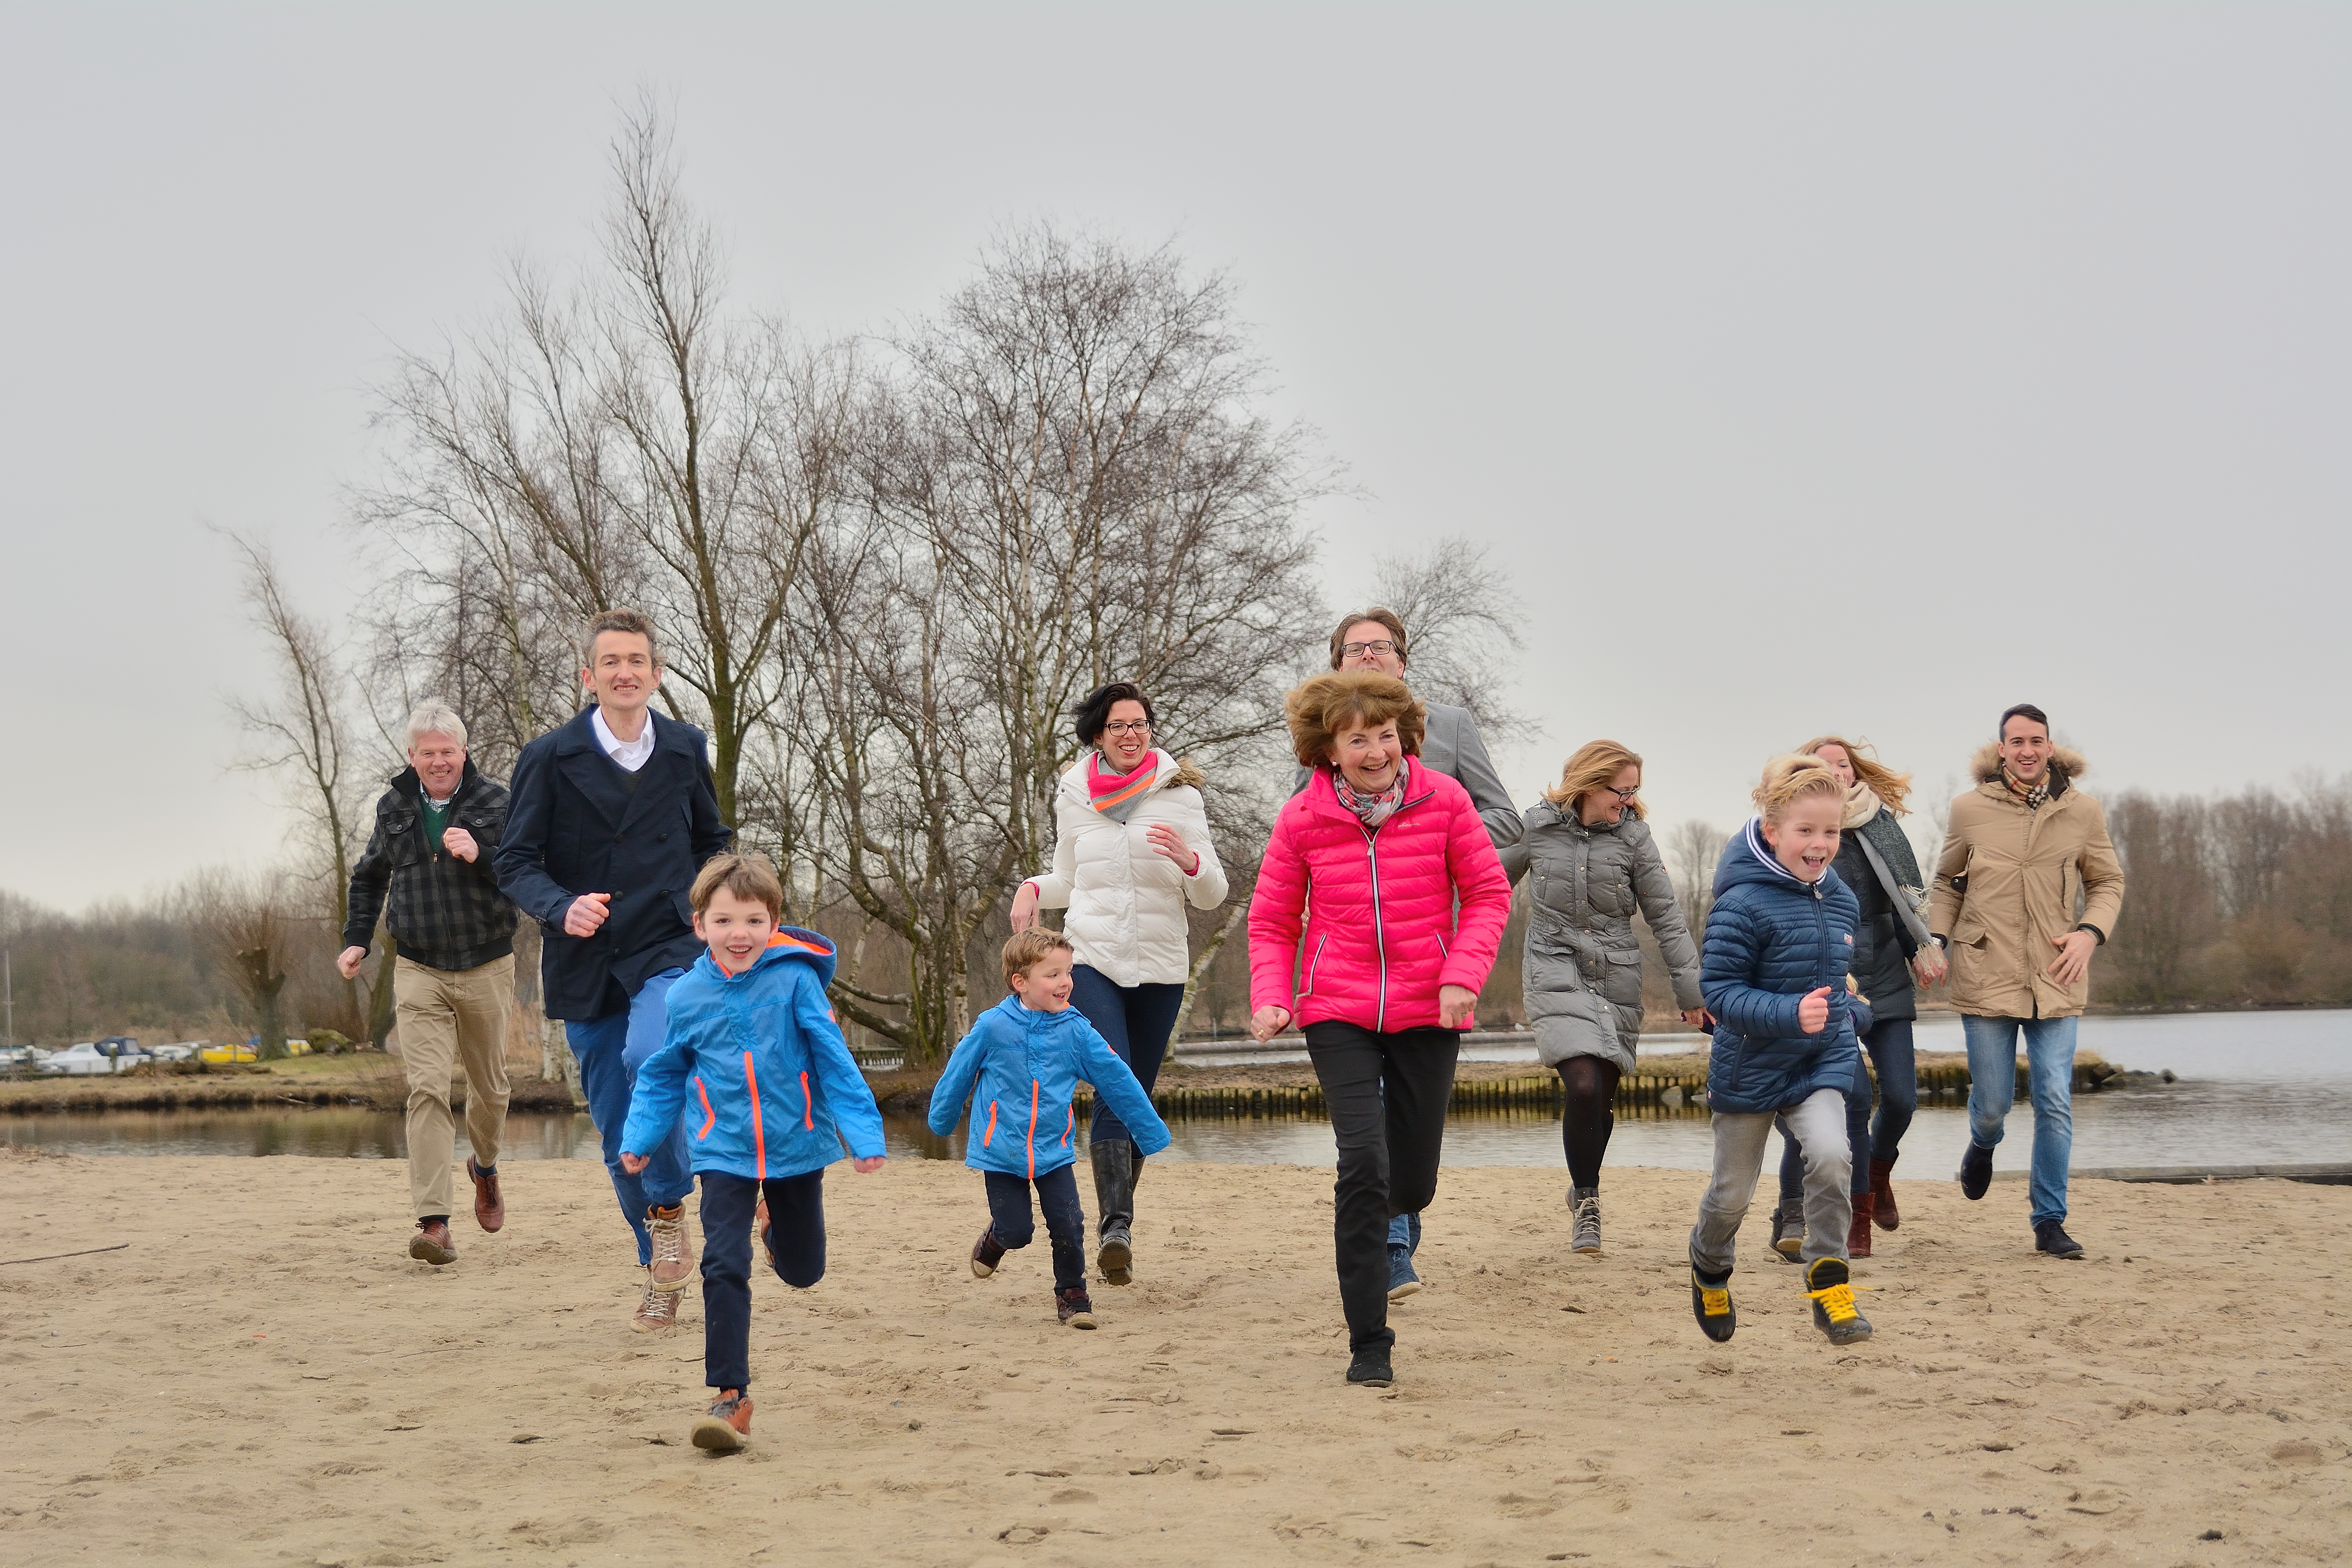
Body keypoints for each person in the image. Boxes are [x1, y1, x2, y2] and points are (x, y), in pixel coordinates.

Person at [1249, 671, 1512, 1387]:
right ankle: (1370, 1341)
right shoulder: (1301, 818)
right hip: (1336, 1006)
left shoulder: (1446, 800)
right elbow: (1274, 921)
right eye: (1357, 739)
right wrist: (1274, 995)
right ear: (1328, 749)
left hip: (1431, 1005)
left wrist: (1462, 973)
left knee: (1411, 1181)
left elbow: (1489, 893)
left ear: (1406, 736)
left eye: (1385, 736)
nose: (1375, 752)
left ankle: (1401, 1208)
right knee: (1361, 1164)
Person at [497, 608, 733, 1332]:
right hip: (585, 954)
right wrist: (561, 907)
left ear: (657, 675)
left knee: (652, 1055)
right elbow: (514, 862)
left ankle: (669, 1209)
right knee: (614, 1130)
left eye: (638, 661)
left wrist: (715, 911)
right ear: (589, 676)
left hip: (668, 941)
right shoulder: (550, 756)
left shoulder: (687, 747)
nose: (625, 672)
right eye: (611, 662)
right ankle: (658, 1245)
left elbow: (712, 841)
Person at [617, 852, 886, 1454]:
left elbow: (832, 1059)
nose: (739, 934)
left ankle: (776, 1235)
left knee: (803, 1270)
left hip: (796, 1148)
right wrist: (640, 1139)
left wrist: (863, 1137)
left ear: (775, 923)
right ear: (700, 926)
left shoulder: (795, 981)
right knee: (722, 1265)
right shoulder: (685, 996)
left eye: (753, 921)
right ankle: (729, 1395)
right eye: (724, 921)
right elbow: (663, 1075)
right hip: (723, 1151)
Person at [1299, 608, 1523, 1299]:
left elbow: (1508, 821)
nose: (1367, 655)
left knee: (1411, 1120)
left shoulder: (1449, 726)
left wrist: (1429, 842)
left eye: (1381, 646)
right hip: (1348, 965)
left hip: (1429, 947)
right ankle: (1391, 1252)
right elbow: (1308, 829)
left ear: (1402, 660)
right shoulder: (1322, 731)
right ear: (1337, 663)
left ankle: (1400, 1229)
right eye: (1353, 647)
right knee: (1362, 1126)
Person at [1009, 681, 1227, 1285]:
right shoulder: (1076, 794)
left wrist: (1190, 861)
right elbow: (1066, 879)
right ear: (1098, 736)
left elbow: (1213, 893)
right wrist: (1032, 888)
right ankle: (1116, 1227)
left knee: (1136, 1095)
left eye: (1140, 724)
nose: (1130, 734)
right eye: (1117, 726)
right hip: (1094, 959)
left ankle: (1113, 1227)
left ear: (1151, 730)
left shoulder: (1179, 795)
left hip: (1162, 966)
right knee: (1114, 1077)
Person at [1687, 755, 1874, 1348]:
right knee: (1731, 1196)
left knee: (1831, 1156)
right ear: (1772, 832)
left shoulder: (1842, 902)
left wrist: (1852, 1014)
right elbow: (1717, 993)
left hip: (1817, 1063)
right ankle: (1710, 1266)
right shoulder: (1742, 903)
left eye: (1832, 832)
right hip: (1749, 1068)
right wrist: (1788, 1013)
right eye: (1806, 831)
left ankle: (1829, 1284)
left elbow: (1834, 985)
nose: (1821, 845)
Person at [1931, 703, 2125, 1260]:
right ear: (2001, 750)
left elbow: (2108, 881)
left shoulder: (2082, 810)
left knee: (2054, 1100)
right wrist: (1937, 941)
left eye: (2036, 741)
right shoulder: (1968, 809)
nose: (2026, 751)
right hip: (1985, 970)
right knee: (1992, 1104)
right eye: (2016, 742)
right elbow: (1947, 882)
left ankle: (2049, 1221)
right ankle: (1982, 1144)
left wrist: (2090, 933)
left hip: (2057, 973)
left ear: (2049, 746)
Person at [1499, 740, 1707, 1256]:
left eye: (1636, 790)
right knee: (1585, 1086)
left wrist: (1692, 993)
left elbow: (1666, 917)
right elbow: (1487, 882)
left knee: (1604, 1093)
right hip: (1552, 964)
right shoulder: (1537, 827)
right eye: (1622, 790)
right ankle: (1589, 1201)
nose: (1630, 800)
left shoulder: (1636, 838)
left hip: (1616, 971)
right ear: (1590, 785)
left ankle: (1581, 1183)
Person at [339, 701, 519, 1265]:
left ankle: (484, 1168)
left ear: (464, 752)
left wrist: (483, 854)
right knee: (426, 1089)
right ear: (412, 756)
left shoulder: (497, 801)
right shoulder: (393, 805)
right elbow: (368, 878)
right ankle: (434, 1221)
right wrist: (357, 939)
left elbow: (526, 872)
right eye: (428, 753)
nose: (439, 762)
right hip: (417, 966)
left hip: (487, 964)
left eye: (448, 752)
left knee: (491, 1090)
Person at [928, 928, 1172, 1330]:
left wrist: (1149, 1132)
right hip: (1000, 1151)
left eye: (1068, 973)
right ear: (1020, 982)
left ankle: (1073, 1296)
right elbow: (959, 1072)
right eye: (1053, 975)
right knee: (1017, 1231)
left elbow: (1117, 1079)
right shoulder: (993, 1027)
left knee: (1069, 1223)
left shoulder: (1076, 1030)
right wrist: (942, 1117)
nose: (1066, 983)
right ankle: (995, 1240)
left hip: (1054, 1151)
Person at [1766, 737, 1947, 1262]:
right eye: (1825, 767)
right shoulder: (1799, 834)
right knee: (1836, 1102)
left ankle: (1878, 1169)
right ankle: (1835, 1218)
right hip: (1830, 982)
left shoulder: (1881, 825)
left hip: (1886, 973)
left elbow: (1904, 903)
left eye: (1844, 765)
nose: (1838, 773)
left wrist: (1924, 948)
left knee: (1903, 1099)